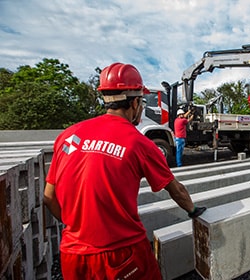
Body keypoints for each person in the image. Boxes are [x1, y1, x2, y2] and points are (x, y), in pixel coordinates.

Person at [43, 62, 206, 280]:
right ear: (136, 102)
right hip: (122, 254)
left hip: (72, 255)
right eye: (142, 101)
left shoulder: (69, 136)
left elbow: (49, 197)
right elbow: (175, 190)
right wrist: (193, 211)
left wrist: (81, 225)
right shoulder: (140, 144)